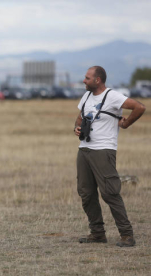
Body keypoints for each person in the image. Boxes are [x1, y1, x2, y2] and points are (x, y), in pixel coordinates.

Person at [74, 66, 146, 247]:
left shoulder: (113, 96)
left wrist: (126, 123)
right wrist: (76, 128)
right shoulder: (86, 97)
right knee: (86, 193)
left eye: (87, 78)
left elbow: (139, 107)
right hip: (84, 150)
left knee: (110, 193)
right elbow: (79, 118)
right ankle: (97, 233)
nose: (84, 80)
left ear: (98, 80)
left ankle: (127, 235)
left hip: (104, 150)